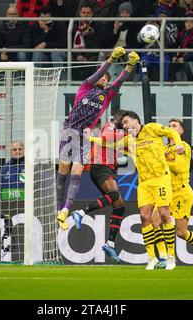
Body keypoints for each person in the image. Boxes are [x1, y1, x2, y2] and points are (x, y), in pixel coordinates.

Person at [56, 47, 140, 232]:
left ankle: (65, 211)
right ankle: (58, 209)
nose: (104, 79)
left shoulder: (106, 96)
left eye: (106, 79)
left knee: (76, 174)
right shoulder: (86, 87)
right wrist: (111, 59)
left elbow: (119, 82)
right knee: (63, 174)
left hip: (84, 136)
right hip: (68, 132)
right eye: (102, 77)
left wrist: (130, 66)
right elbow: (100, 72)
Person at [88, 111, 184, 270]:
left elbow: (172, 131)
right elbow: (108, 143)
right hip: (144, 182)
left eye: (125, 122)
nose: (124, 126)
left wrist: (178, 142)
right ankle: (151, 258)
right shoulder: (129, 140)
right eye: (123, 124)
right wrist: (90, 138)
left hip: (161, 178)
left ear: (135, 120)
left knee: (164, 213)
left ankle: (171, 257)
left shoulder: (152, 129)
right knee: (144, 217)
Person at [70, 110, 128, 263]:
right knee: (115, 195)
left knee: (120, 206)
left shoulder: (121, 133)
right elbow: (108, 138)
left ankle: (110, 244)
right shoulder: (111, 126)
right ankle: (81, 212)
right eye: (124, 120)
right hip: (100, 166)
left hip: (107, 168)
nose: (125, 122)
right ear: (118, 119)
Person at [164, 119, 193, 270]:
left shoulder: (183, 147)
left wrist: (161, 161)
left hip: (181, 192)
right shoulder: (163, 149)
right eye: (169, 125)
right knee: (154, 220)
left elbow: (178, 167)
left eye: (174, 126)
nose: (170, 128)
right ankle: (164, 258)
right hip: (166, 192)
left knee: (181, 232)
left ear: (181, 131)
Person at [0, 141, 25, 260]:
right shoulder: (5, 168)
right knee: (7, 232)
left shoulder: (29, 167)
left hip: (24, 207)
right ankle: (6, 254)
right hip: (8, 206)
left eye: (20, 149)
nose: (17, 151)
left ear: (24, 150)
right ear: (10, 152)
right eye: (14, 149)